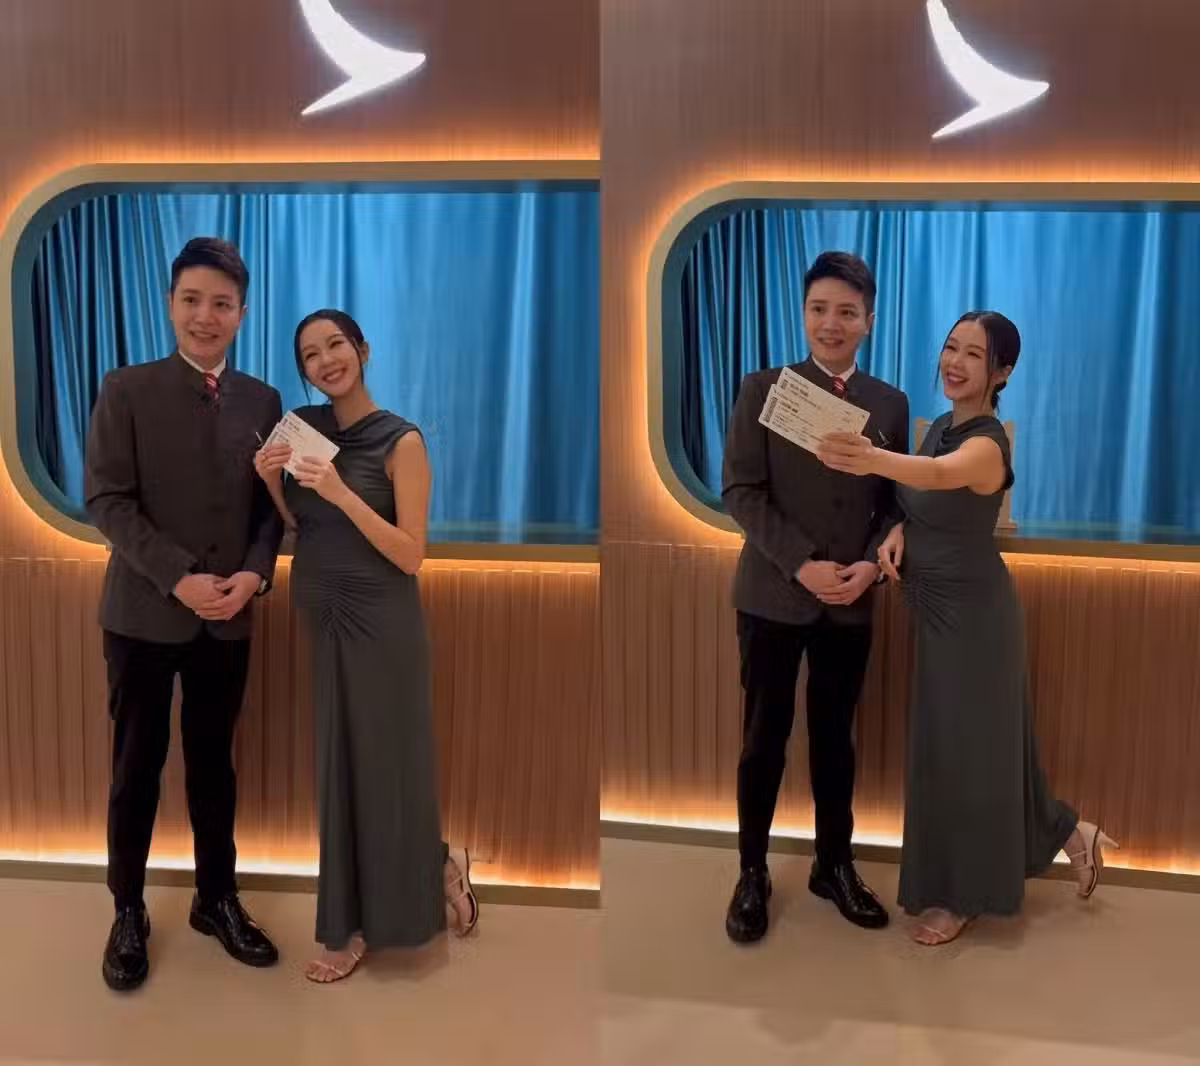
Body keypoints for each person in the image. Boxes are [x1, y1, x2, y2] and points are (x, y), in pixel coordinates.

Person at [816, 310, 1117, 946]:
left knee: (966, 759)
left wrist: (871, 457)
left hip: (977, 621)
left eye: (973, 355)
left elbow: (940, 477)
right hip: (936, 612)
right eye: (951, 347)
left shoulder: (985, 444)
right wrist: (898, 531)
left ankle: (963, 896)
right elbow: (924, 500)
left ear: (1001, 372)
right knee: (968, 751)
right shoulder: (940, 429)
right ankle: (1070, 832)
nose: (954, 362)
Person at [253, 309, 478, 983]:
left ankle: (385, 909)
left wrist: (344, 493)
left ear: (362, 350)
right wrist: (269, 481)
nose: (326, 360)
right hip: (321, 609)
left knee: (387, 768)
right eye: (311, 354)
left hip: (383, 619)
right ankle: (415, 880)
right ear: (303, 369)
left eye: (336, 345)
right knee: (340, 766)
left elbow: (411, 554)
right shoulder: (302, 426)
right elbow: (300, 525)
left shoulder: (401, 440)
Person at [84, 237, 285, 992]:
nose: (207, 316)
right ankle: (127, 909)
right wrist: (179, 578)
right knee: (135, 767)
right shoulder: (126, 388)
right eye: (193, 300)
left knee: (213, 766)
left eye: (222, 304)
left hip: (228, 616)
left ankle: (216, 899)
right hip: (141, 615)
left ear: (241, 313)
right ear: (171, 304)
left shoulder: (264, 401)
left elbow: (271, 510)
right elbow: (107, 500)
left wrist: (254, 575)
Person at [721, 252, 910, 943]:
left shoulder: (890, 403)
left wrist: (870, 567)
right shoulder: (763, 389)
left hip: (852, 599)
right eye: (819, 309)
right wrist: (801, 564)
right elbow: (742, 491)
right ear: (803, 313)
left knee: (836, 740)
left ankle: (834, 865)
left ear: (869, 321)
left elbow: (895, 505)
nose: (832, 323)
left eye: (847, 312)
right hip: (772, 594)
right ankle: (752, 872)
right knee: (762, 740)